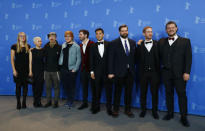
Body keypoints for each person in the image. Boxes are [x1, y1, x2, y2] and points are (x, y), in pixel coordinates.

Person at [159, 21, 192, 127]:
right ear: (166, 30)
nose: (171, 29)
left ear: (176, 28)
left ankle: (183, 117)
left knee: (182, 95)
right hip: (166, 73)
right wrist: (141, 43)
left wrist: (187, 72)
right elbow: (153, 50)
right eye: (168, 28)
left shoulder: (185, 41)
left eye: (172, 27)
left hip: (180, 74)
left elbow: (188, 58)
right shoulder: (161, 41)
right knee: (168, 94)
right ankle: (170, 113)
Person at [108, 24, 136, 118]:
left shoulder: (132, 42)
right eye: (122, 31)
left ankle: (128, 110)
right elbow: (110, 59)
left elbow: (134, 57)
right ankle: (115, 110)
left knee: (129, 93)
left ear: (128, 31)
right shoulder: (113, 43)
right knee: (117, 92)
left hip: (130, 72)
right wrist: (110, 72)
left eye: (126, 30)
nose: (124, 32)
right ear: (119, 32)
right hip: (118, 72)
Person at [136, 26, 160, 119]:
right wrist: (138, 46)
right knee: (143, 93)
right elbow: (136, 58)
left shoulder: (158, 44)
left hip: (155, 73)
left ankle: (155, 111)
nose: (150, 33)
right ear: (144, 33)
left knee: (155, 93)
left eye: (151, 31)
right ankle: (143, 110)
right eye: (148, 32)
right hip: (143, 73)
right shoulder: (139, 45)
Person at [89, 28, 113, 115]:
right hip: (97, 73)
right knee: (96, 91)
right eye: (97, 34)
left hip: (108, 73)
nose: (98, 35)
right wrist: (92, 72)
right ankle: (96, 107)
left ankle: (109, 109)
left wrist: (111, 72)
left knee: (108, 92)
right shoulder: (92, 46)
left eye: (100, 33)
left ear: (103, 34)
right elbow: (91, 60)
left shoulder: (109, 44)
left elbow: (112, 59)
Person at [59, 31, 81, 109]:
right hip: (63, 69)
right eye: (65, 36)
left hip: (71, 70)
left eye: (68, 36)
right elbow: (61, 55)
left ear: (72, 37)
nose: (67, 38)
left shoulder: (76, 47)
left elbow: (79, 59)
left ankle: (71, 101)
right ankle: (68, 100)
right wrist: (60, 64)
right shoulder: (63, 45)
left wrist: (75, 69)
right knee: (65, 86)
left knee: (71, 87)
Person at [11, 32, 30, 109]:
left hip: (26, 70)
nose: (23, 37)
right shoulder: (14, 46)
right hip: (18, 70)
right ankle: (18, 102)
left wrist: (30, 70)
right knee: (18, 87)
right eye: (21, 36)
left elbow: (29, 59)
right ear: (18, 37)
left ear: (25, 37)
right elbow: (12, 59)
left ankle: (24, 102)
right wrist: (14, 70)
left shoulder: (28, 46)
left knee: (25, 87)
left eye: (24, 36)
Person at [78, 29, 96, 111]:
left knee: (93, 88)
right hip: (83, 70)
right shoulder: (80, 45)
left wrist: (93, 71)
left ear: (86, 35)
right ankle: (84, 103)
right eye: (79, 34)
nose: (79, 36)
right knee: (84, 88)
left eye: (81, 34)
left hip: (91, 71)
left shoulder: (93, 44)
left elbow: (96, 59)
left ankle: (94, 105)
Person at [43, 32, 61, 108]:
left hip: (56, 71)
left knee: (56, 87)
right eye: (50, 36)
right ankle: (49, 102)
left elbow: (61, 59)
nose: (52, 37)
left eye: (53, 36)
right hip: (47, 71)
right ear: (48, 38)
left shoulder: (59, 47)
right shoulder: (45, 46)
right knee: (48, 87)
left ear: (56, 37)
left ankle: (56, 102)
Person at [29, 37, 44, 108]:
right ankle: (35, 101)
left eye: (41, 41)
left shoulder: (43, 50)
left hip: (42, 70)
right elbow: (30, 62)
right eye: (38, 41)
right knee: (34, 87)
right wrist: (30, 71)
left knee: (40, 87)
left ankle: (39, 101)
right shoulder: (32, 51)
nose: (40, 42)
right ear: (35, 42)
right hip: (34, 71)